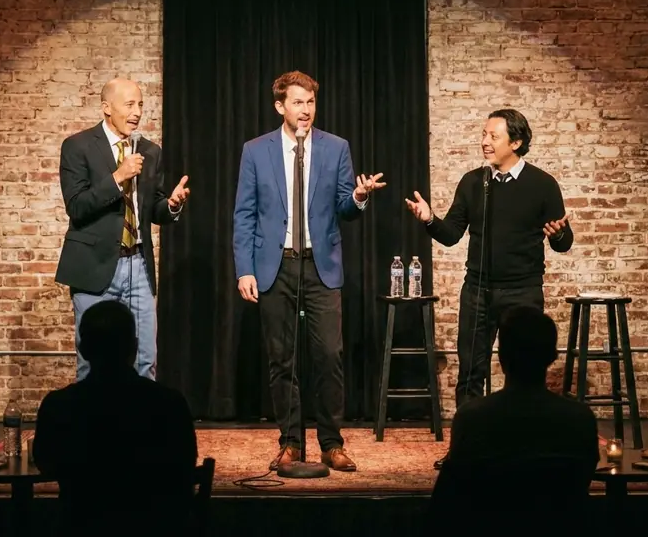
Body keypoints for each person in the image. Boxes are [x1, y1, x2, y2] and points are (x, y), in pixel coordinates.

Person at [233, 70, 386, 473]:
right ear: (280, 106)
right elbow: (244, 214)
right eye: (297, 102)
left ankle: (332, 443)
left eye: (311, 102)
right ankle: (290, 442)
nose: (306, 110)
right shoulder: (256, 151)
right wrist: (244, 269)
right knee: (282, 359)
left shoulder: (336, 148)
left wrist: (358, 195)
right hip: (275, 264)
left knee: (329, 355)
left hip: (320, 265)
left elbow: (345, 207)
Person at [406, 108, 573, 468]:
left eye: (493, 136)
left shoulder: (542, 184)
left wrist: (559, 234)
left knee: (525, 374)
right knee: (470, 373)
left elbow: (563, 243)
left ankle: (524, 450)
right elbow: (451, 234)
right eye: (484, 134)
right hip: (477, 291)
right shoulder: (473, 182)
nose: (485, 141)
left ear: (516, 142)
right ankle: (466, 449)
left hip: (522, 292)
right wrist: (430, 219)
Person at [55, 78, 191, 382]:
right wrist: (118, 177)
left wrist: (171, 205)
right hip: (95, 267)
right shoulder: (78, 147)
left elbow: (152, 209)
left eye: (140, 104)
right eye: (129, 104)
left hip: (138, 265)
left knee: (145, 360)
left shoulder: (150, 151)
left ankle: (141, 415)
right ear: (107, 107)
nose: (137, 112)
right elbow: (77, 206)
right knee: (92, 363)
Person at [429, 305, 599, 536]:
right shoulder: (580, 419)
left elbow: (447, 502)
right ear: (552, 357)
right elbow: (582, 484)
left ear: (501, 357)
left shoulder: (471, 418)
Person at [33, 300, 198, 536]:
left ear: (83, 349)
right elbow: (184, 470)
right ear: (135, 346)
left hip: (81, 526)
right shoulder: (170, 404)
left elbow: (45, 463)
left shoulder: (58, 406)